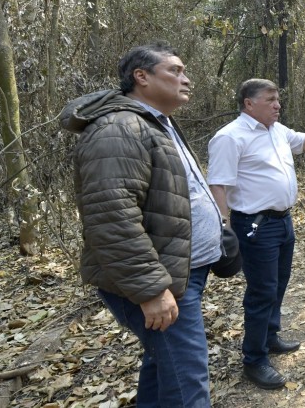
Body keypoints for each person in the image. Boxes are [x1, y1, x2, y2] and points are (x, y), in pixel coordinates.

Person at [59, 42, 223, 407]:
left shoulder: (156, 123)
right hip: (157, 280)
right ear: (141, 77)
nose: (186, 79)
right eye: (175, 71)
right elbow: (111, 217)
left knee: (164, 364)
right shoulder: (118, 129)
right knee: (187, 383)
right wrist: (151, 291)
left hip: (177, 271)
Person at [207, 79, 305, 389]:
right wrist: (224, 227)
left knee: (278, 284)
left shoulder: (276, 130)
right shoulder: (230, 137)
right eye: (270, 99)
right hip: (254, 225)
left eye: (278, 99)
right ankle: (254, 359)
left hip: (283, 221)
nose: (277, 105)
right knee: (262, 292)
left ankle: (270, 336)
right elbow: (218, 184)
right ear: (249, 103)